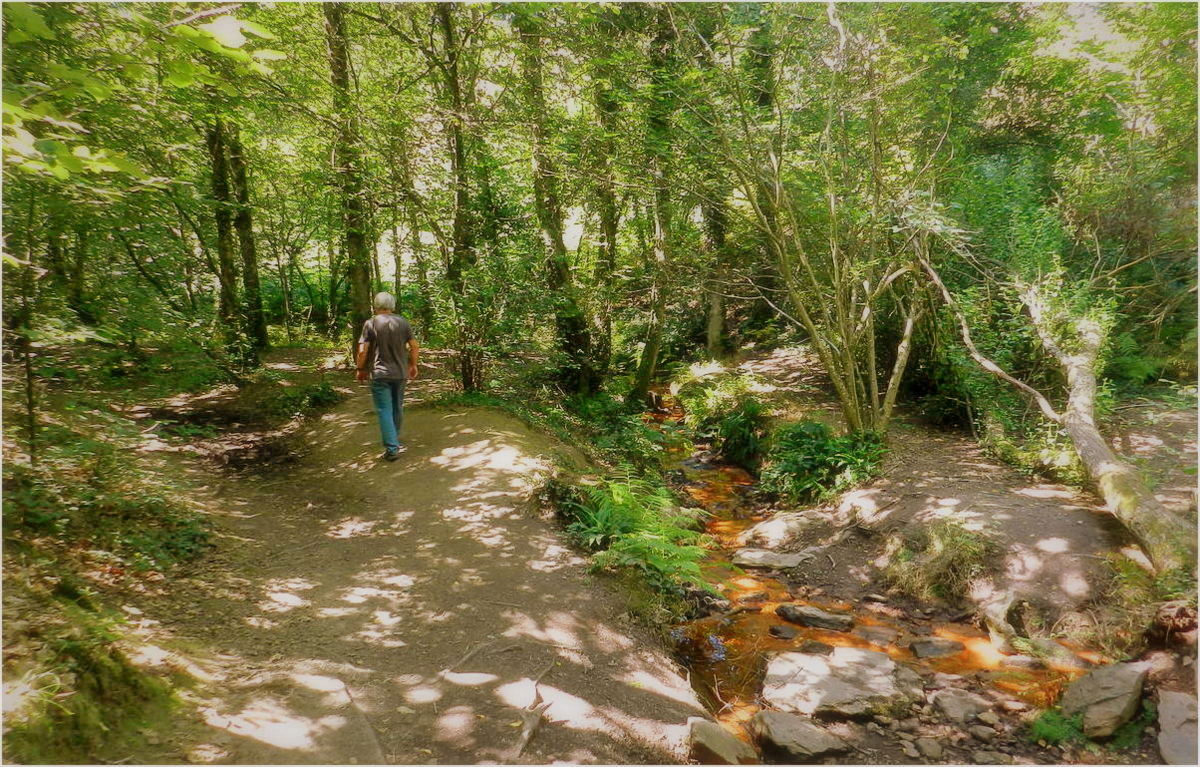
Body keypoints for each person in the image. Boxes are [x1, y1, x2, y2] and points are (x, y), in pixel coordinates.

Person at [356, 292, 419, 461]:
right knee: (397, 407)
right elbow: (414, 346)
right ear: (392, 305)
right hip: (400, 373)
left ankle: (392, 448)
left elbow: (363, 350)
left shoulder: (371, 323)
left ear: (375, 305)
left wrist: (360, 368)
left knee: (384, 409)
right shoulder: (403, 322)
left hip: (379, 373)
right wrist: (413, 365)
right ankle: (394, 439)